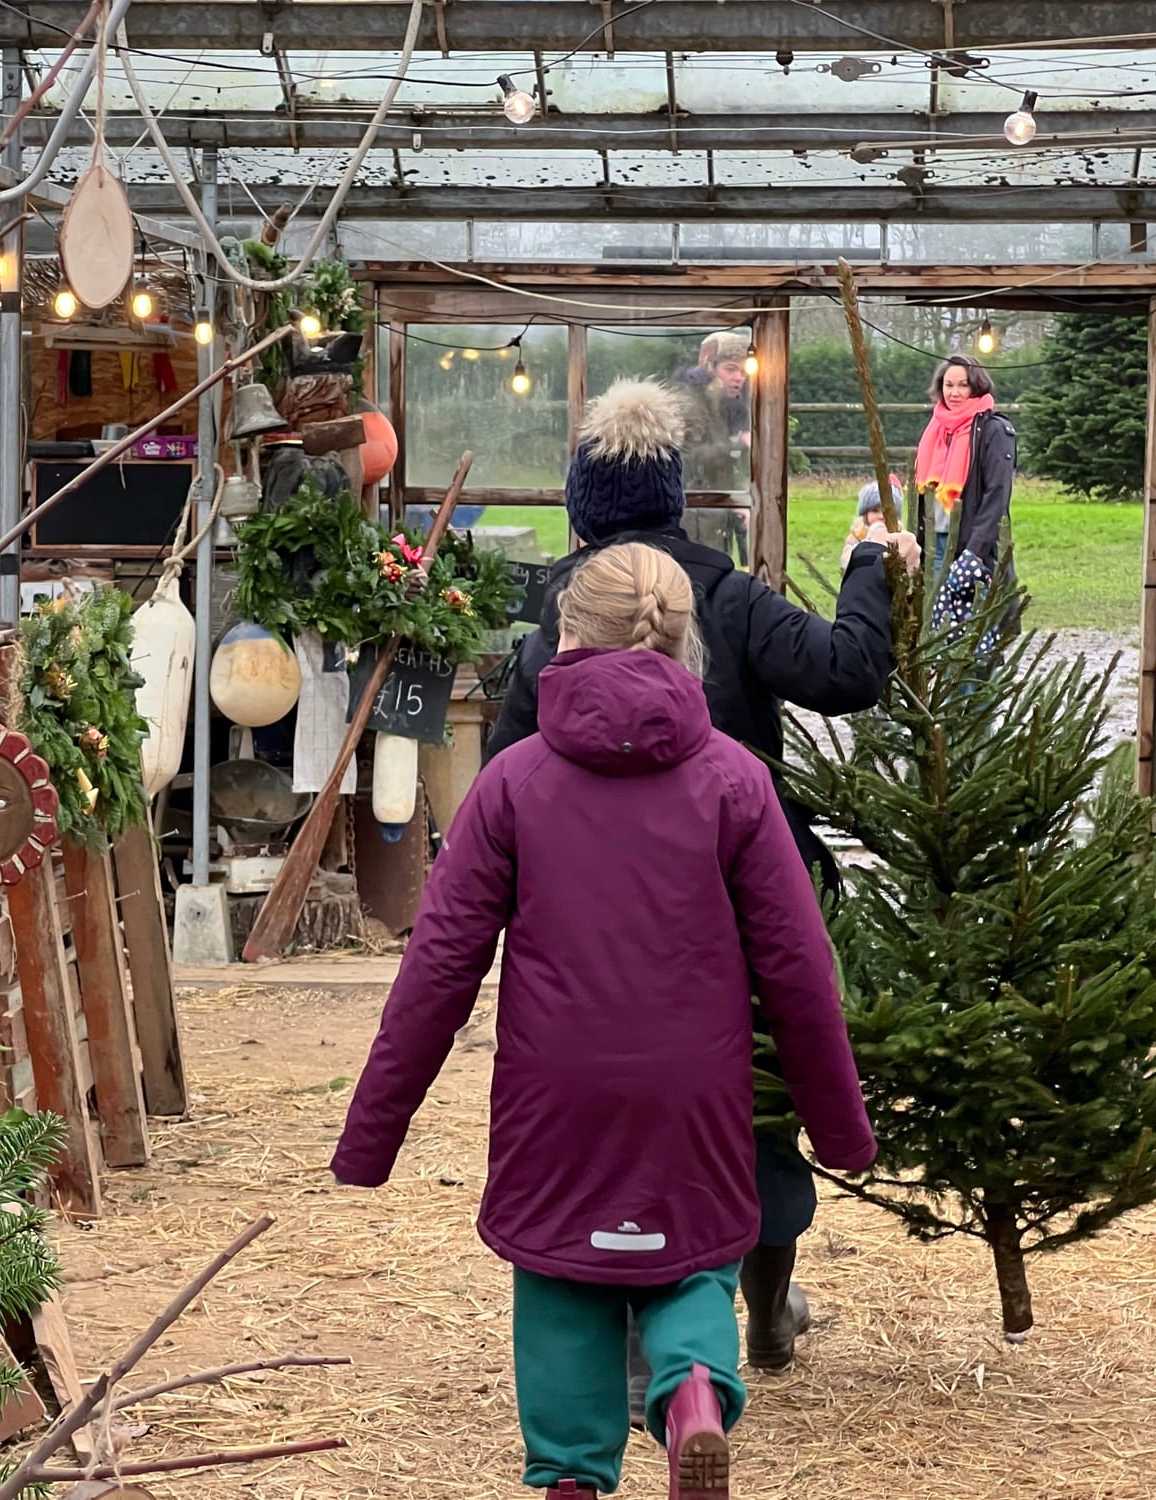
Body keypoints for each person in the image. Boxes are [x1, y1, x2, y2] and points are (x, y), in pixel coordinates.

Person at [333, 545, 878, 1500]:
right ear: (684, 641)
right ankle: (695, 1397)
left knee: (559, 1278)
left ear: (562, 638)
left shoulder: (512, 784)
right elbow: (799, 970)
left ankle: (574, 1478)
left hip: (556, 1091)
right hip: (693, 1093)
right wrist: (839, 1127)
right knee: (694, 1263)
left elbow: (438, 970)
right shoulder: (735, 781)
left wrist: (372, 1136)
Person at [485, 378, 916, 1409]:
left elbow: (504, 782)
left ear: (581, 506)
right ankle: (762, 1314)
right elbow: (850, 670)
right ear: (674, 498)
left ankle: (642, 1347)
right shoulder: (724, 597)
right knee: (758, 1106)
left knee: (617, 1120)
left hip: (590, 927)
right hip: (742, 906)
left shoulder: (562, 613)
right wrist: (867, 566)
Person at [911, 355, 1015, 627]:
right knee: (935, 631)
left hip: (971, 549)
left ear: (976, 386)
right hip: (934, 546)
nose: (954, 392)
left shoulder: (994, 431)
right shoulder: (935, 429)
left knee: (976, 636)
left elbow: (997, 496)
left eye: (963, 385)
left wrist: (974, 552)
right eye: (948, 385)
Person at [673, 332, 754, 567]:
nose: (739, 378)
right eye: (730, 369)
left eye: (743, 371)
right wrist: (737, 445)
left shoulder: (721, 405)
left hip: (715, 515)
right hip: (693, 518)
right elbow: (687, 459)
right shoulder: (689, 405)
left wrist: (737, 502)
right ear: (709, 365)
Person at [842, 478, 904, 572]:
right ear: (865, 515)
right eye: (875, 511)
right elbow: (847, 562)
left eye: (886, 511)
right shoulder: (858, 536)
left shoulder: (900, 536)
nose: (881, 516)